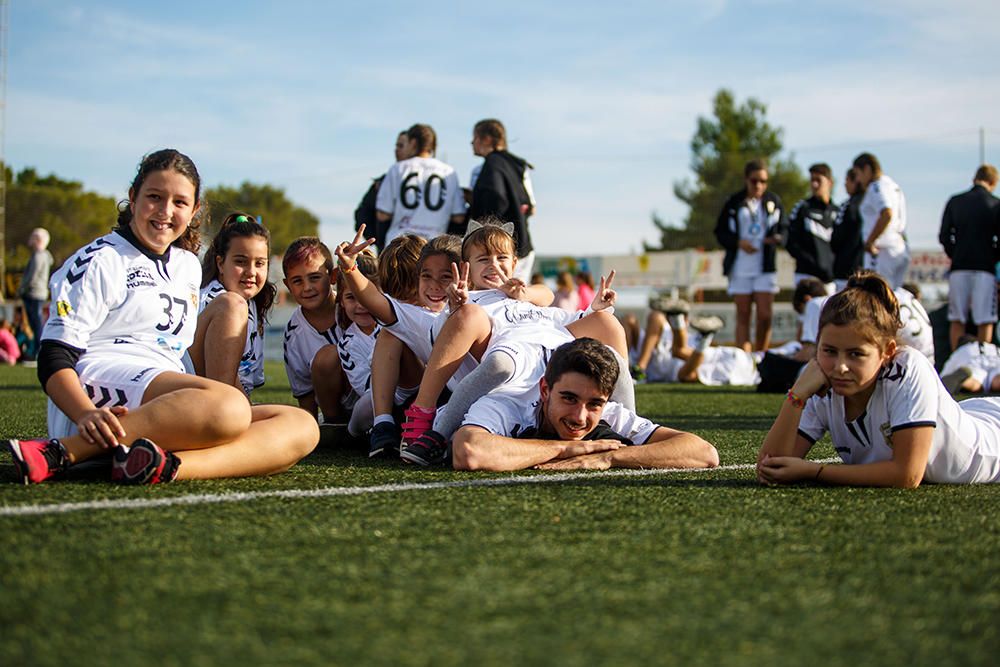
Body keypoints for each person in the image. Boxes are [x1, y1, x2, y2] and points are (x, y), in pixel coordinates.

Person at [4, 149, 318, 486]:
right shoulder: (100, 260)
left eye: (180, 202)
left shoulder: (185, 264)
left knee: (300, 426)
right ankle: (63, 452)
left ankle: (160, 465)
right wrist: (84, 414)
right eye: (155, 197)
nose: (166, 211)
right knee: (230, 407)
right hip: (99, 393)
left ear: (195, 209)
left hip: (167, 396)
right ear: (133, 198)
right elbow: (53, 357)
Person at [757, 270, 1000, 487]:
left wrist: (815, 471)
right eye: (829, 350)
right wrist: (796, 396)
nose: (840, 366)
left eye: (856, 354)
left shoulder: (908, 366)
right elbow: (768, 467)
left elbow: (907, 474)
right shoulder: (821, 379)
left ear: (888, 351)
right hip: (970, 414)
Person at [451, 337, 720, 471]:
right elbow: (469, 451)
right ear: (545, 390)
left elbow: (704, 453)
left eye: (594, 404)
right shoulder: (505, 402)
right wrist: (569, 449)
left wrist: (608, 457)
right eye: (569, 398)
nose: (580, 417)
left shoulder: (612, 413)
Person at [186, 213, 276, 398]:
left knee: (302, 421)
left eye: (259, 263)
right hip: (198, 398)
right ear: (220, 263)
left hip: (230, 401)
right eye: (240, 262)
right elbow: (218, 371)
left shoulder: (251, 301)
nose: (251, 272)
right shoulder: (221, 302)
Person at [714, 159, 787, 352]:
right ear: (746, 179)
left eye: (763, 181)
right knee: (743, 314)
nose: (759, 185)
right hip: (740, 266)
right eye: (754, 181)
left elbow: (785, 230)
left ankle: (761, 355)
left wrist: (776, 239)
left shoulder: (773, 201)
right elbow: (720, 232)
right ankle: (743, 358)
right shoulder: (734, 202)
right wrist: (738, 242)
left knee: (764, 315)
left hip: (765, 266)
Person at [280, 237, 347, 422]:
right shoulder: (294, 333)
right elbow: (305, 393)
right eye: (297, 281)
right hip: (338, 412)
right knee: (327, 358)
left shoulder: (353, 307)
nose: (307, 287)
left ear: (333, 276)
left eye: (314, 277)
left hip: (371, 399)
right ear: (288, 286)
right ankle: (335, 425)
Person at [938, 164, 1000, 351]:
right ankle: (982, 358)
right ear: (993, 182)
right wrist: (992, 256)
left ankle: (957, 357)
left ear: (975, 179)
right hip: (985, 269)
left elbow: (944, 235)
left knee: (957, 318)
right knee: (985, 319)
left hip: (959, 267)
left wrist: (955, 253)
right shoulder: (995, 204)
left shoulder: (956, 201)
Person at [467, 119, 537, 281]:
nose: (472, 143)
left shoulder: (490, 166)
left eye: (475, 138)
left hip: (500, 248)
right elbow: (531, 208)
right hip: (523, 245)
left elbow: (495, 198)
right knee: (518, 300)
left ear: (487, 139)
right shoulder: (519, 166)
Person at [375, 123, 466, 245]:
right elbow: (458, 216)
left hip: (399, 244)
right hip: (433, 245)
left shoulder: (398, 169)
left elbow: (383, 214)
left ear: (413, 143)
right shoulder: (448, 171)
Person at [853, 153, 909, 289]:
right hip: (898, 247)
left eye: (858, 174)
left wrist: (870, 241)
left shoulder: (876, 187)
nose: (858, 180)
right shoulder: (893, 185)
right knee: (893, 297)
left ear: (866, 169)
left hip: (881, 250)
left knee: (876, 297)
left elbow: (886, 213)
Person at [354, 130, 411, 252]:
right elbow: (362, 216)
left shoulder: (435, 184)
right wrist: (380, 241)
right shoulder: (382, 183)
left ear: (414, 147)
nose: (397, 150)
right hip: (391, 254)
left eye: (401, 146)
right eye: (396, 145)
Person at [785, 163, 838, 293]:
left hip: (831, 280)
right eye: (812, 180)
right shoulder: (802, 209)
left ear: (830, 183)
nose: (814, 185)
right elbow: (789, 240)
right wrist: (810, 262)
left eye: (818, 180)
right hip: (806, 277)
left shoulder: (838, 211)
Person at [17, 227, 54, 360]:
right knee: (35, 323)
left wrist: (22, 289)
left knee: (36, 324)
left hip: (34, 293)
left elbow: (31, 276)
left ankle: (39, 352)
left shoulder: (39, 256)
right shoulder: (44, 256)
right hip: (38, 293)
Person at [831, 167, 865, 292]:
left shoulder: (847, 206)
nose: (845, 184)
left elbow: (836, 239)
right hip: (869, 271)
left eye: (847, 180)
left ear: (856, 180)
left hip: (846, 270)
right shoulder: (874, 204)